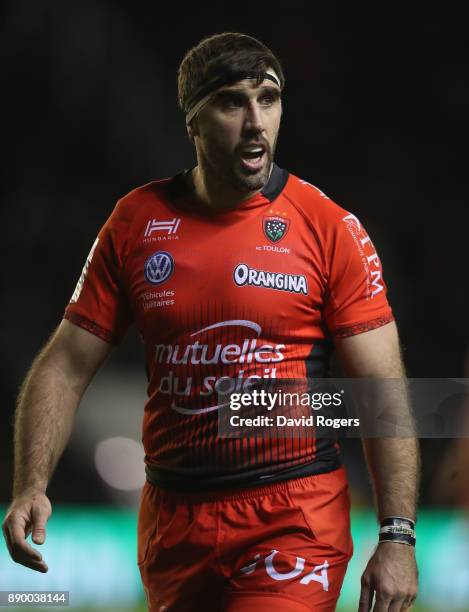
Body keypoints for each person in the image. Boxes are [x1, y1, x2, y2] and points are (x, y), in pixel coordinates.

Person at [2, 32, 419, 612]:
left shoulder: (329, 229)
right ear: (193, 123)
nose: (256, 122)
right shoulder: (136, 223)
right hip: (173, 525)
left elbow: (381, 393)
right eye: (232, 102)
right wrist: (31, 483)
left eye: (268, 99)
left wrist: (397, 535)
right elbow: (66, 366)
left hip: (292, 516)